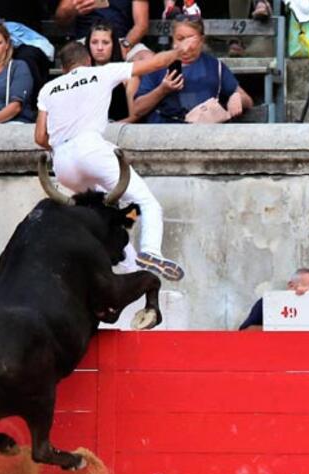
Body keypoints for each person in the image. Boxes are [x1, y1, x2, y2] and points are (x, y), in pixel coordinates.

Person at [35, 40, 197, 281]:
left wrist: (63, 146)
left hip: (62, 164)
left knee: (109, 214)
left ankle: (131, 271)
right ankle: (151, 251)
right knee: (146, 203)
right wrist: (177, 52)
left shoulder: (48, 88)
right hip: (92, 150)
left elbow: (39, 137)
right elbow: (154, 63)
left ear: (64, 67)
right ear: (88, 60)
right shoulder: (101, 72)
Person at [231, 267, 309, 474]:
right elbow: (246, 335)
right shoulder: (269, 305)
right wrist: (290, 311)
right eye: (304, 289)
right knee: (244, 456)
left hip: (304, 396)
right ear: (291, 285)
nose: (306, 296)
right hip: (260, 394)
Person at [133, 16, 253, 124]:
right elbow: (138, 109)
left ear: (201, 40)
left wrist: (237, 97)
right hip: (164, 134)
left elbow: (247, 100)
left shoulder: (214, 66)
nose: (186, 46)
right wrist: (162, 90)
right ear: (173, 39)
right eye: (180, 39)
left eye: (190, 39)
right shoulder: (158, 65)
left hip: (202, 133)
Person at [55, 0, 150, 61]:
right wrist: (71, 9)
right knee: (73, 60)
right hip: (85, 42)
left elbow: (141, 26)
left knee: (147, 59)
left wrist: (124, 46)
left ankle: (141, 93)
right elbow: (61, 20)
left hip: (123, 41)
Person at [86, 20, 135, 122]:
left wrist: (110, 130)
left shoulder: (127, 74)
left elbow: (134, 116)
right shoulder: (81, 73)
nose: (99, 48)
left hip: (118, 131)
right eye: (94, 42)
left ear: (114, 45)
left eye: (105, 43)